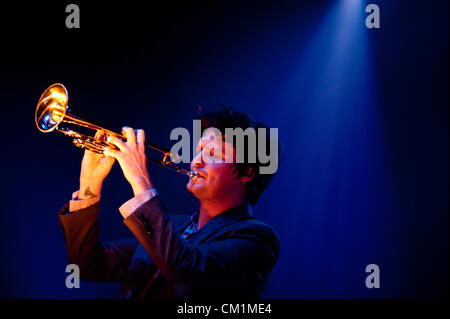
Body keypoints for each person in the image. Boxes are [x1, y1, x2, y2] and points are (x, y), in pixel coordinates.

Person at [58, 108, 282, 299]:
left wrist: (141, 180)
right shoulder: (172, 226)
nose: (196, 161)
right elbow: (85, 266)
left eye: (212, 153)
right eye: (198, 151)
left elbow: (185, 266)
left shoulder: (258, 239)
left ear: (247, 172)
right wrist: (89, 183)